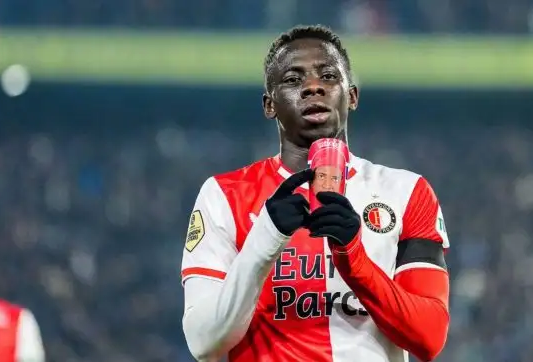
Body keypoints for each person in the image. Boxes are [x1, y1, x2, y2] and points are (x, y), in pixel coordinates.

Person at [181, 25, 450, 362]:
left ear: (351, 96)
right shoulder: (223, 194)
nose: (312, 87)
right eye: (293, 80)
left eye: (328, 76)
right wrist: (265, 239)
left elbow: (429, 337)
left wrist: (354, 259)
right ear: (269, 105)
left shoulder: (407, 192)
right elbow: (203, 342)